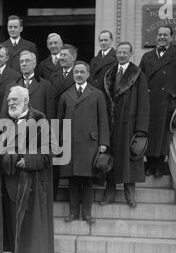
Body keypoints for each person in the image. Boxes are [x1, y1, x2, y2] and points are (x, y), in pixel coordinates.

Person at [0, 86, 54, 253]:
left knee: (26, 226)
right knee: (12, 224)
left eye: (15, 100)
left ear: (26, 101)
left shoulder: (40, 120)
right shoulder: (6, 123)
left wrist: (28, 161)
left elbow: (49, 153)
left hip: (28, 182)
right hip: (6, 181)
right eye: (9, 100)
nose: (11, 103)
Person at [57, 61, 109, 223]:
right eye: (76, 72)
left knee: (87, 180)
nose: (78, 75)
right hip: (70, 143)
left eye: (81, 72)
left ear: (88, 74)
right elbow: (59, 122)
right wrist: (59, 142)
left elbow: (103, 120)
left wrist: (103, 142)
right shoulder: (65, 95)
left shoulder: (97, 94)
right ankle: (73, 213)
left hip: (90, 144)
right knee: (72, 180)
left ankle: (87, 213)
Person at [101, 42, 149, 208]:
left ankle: (130, 195)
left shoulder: (138, 74)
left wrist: (141, 130)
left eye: (125, 52)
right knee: (110, 159)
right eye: (119, 52)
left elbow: (143, 103)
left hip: (129, 124)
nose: (121, 55)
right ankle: (109, 194)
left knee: (130, 161)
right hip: (111, 124)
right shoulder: (109, 74)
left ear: (130, 54)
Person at [139, 25, 176, 178]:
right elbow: (140, 80)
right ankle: (148, 163)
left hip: (167, 102)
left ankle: (159, 166)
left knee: (163, 135)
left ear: (171, 37)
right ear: (156, 37)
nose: (162, 37)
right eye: (160, 34)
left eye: (165, 35)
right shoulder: (147, 56)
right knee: (149, 132)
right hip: (149, 102)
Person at [48, 43, 77, 199]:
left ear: (74, 57)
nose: (62, 58)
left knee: (72, 162)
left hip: (73, 122)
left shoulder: (79, 74)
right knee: (56, 160)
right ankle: (53, 195)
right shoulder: (54, 75)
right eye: (61, 55)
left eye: (65, 55)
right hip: (56, 121)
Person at [0, 50, 55, 120]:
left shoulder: (46, 86)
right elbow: (4, 113)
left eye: (27, 61)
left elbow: (50, 114)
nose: (24, 64)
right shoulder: (11, 86)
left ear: (34, 64)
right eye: (21, 62)